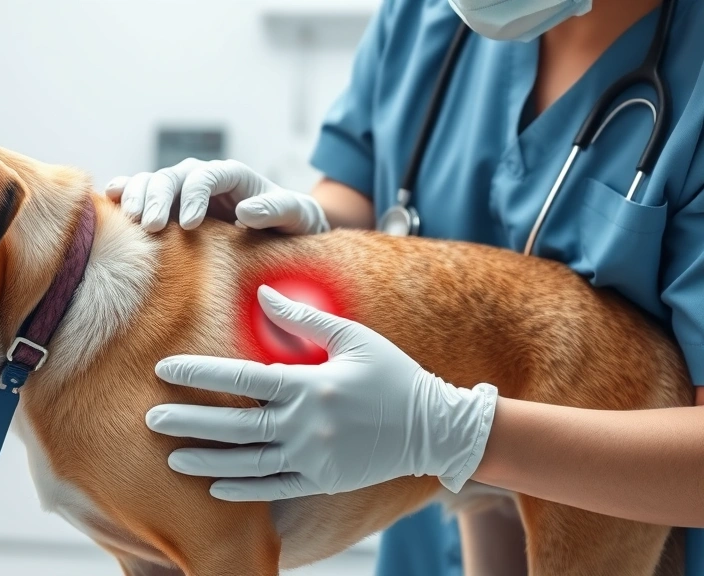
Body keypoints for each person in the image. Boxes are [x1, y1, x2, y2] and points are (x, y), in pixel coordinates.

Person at [104, 0, 704, 573]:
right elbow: (360, 193)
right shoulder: (424, 16)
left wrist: (452, 432)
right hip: (422, 535)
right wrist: (302, 229)